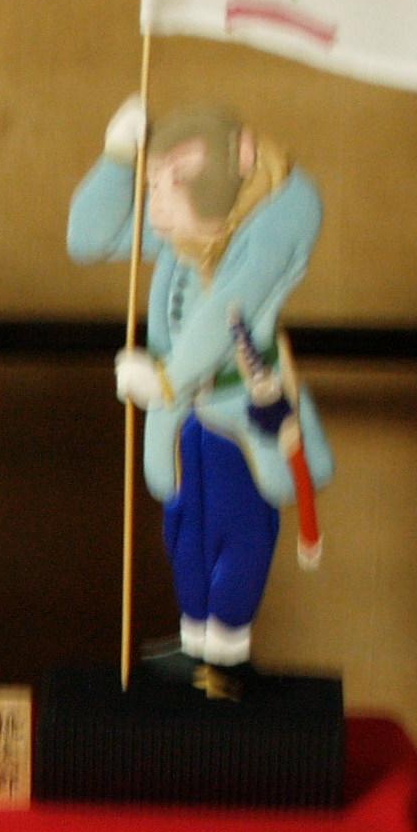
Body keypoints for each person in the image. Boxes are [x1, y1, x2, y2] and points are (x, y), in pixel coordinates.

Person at [66, 100, 331, 672]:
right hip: (184, 415)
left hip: (245, 408)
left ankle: (226, 653)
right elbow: (88, 239)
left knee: (240, 530)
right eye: (154, 182)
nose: (159, 202)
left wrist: (164, 379)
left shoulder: (275, 220)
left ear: (239, 159)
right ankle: (196, 643)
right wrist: (117, 160)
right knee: (185, 528)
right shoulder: (183, 234)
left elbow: (232, 306)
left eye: (178, 178)